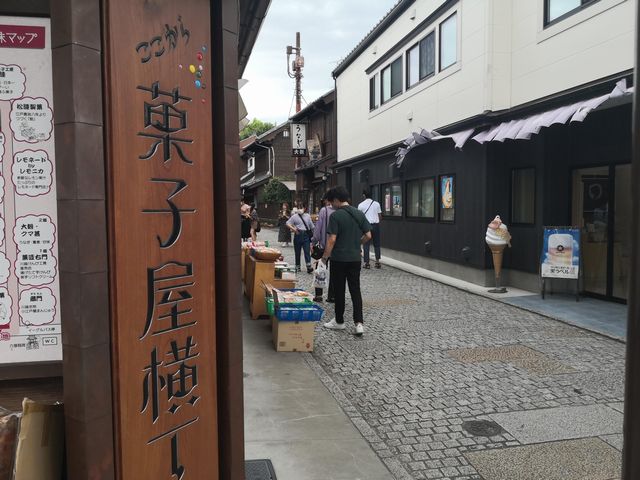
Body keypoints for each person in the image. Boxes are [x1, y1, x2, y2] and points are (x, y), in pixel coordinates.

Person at [321, 186, 371, 336]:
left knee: (339, 290)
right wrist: (358, 244)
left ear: (336, 200)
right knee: (355, 289)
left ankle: (339, 321)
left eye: (331, 203)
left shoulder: (336, 217)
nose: (331, 206)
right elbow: (368, 235)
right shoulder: (359, 214)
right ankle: (359, 323)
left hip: (339, 259)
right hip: (355, 258)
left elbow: (332, 240)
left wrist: (324, 258)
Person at [310, 193, 335, 302]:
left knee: (320, 269)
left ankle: (319, 295)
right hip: (337, 248)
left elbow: (317, 230)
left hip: (324, 246)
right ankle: (332, 296)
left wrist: (313, 241)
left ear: (327, 200)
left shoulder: (324, 211)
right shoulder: (340, 211)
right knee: (335, 272)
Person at [286, 203, 314, 273]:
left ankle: (308, 266)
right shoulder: (294, 216)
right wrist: (294, 229)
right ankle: (297, 266)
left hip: (306, 235)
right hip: (298, 234)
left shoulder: (307, 216)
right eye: (298, 208)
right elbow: (287, 223)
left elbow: (312, 226)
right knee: (297, 251)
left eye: (301, 207)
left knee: (307, 251)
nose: (300, 209)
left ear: (305, 208)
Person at [358, 189, 382, 269]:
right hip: (375, 225)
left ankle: (367, 263)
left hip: (366, 226)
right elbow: (380, 216)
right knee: (377, 244)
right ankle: (377, 262)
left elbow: (360, 218)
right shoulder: (377, 204)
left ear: (364, 195)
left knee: (366, 244)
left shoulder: (361, 205)